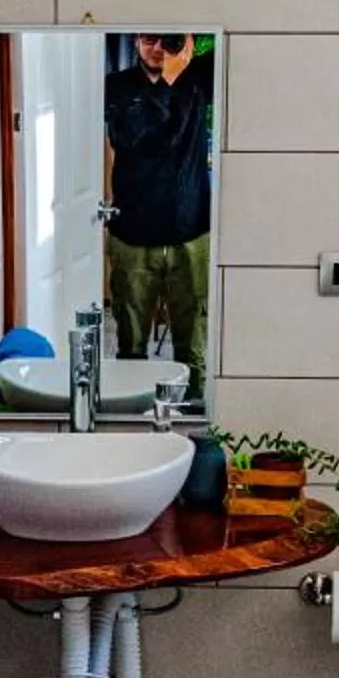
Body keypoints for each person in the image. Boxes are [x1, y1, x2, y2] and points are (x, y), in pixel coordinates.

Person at [102, 31, 215, 401]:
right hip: (132, 234)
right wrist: (168, 80)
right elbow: (130, 135)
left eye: (168, 40)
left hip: (191, 232)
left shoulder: (200, 77)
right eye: (150, 39)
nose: (158, 48)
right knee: (131, 343)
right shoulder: (115, 86)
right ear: (135, 41)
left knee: (193, 342)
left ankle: (194, 420)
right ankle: (132, 419)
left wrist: (190, 53)